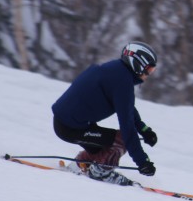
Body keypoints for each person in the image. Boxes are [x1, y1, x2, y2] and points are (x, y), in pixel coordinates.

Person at [51, 42, 159, 185]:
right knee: (120, 141)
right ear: (137, 64)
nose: (149, 74)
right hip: (70, 128)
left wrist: (144, 130)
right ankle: (101, 173)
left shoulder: (116, 71)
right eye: (149, 69)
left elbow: (127, 108)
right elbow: (127, 127)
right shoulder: (122, 82)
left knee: (105, 144)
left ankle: (80, 165)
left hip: (67, 124)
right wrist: (142, 161)